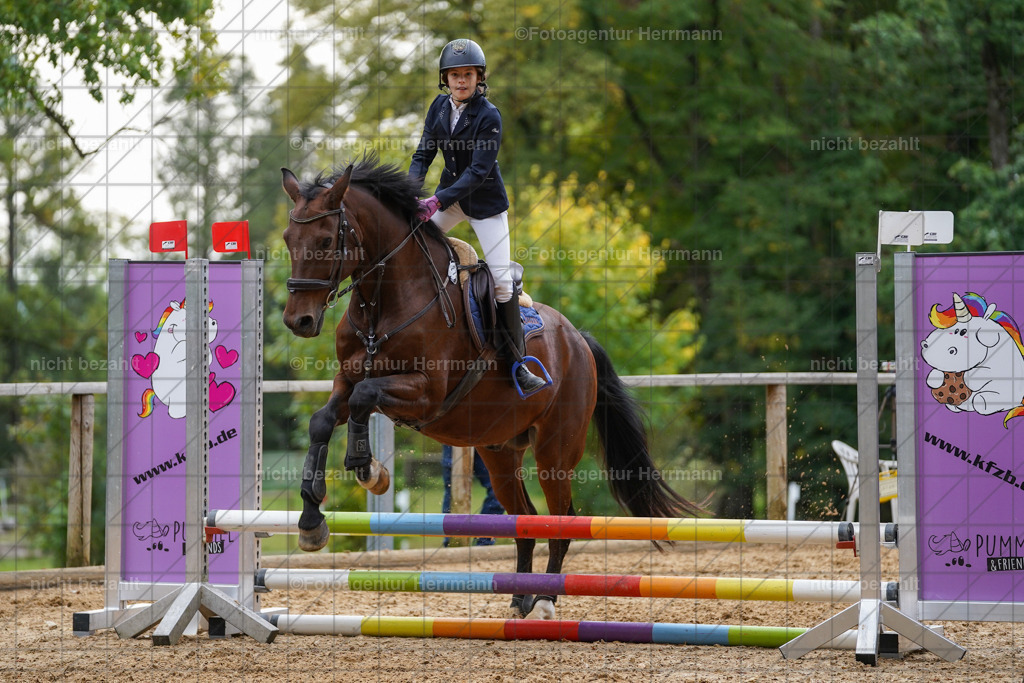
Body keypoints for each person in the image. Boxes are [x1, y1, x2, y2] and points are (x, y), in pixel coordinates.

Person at [409, 38, 549, 398]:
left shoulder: (489, 116)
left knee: (502, 283)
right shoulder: (438, 108)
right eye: (455, 75)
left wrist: (436, 201)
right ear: (446, 79)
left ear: (478, 77)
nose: (461, 81)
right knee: (410, 243)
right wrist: (409, 194)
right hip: (449, 200)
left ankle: (519, 364)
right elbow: (423, 154)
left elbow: (477, 173)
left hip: (484, 205)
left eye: (467, 75)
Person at [440, 445, 504, 547]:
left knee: (500, 491)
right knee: (453, 494)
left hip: (485, 439)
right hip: (454, 439)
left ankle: (483, 545)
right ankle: (452, 545)